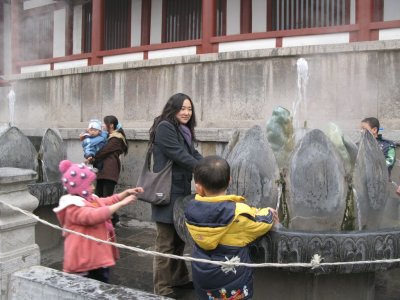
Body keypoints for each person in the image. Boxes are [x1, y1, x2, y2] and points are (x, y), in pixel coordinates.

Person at [185, 155, 279, 300]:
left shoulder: (190, 211)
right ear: (230, 180)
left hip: (203, 281)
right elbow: (261, 224)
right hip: (233, 287)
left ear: (198, 187)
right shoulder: (237, 213)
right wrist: (268, 213)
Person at [53, 160, 143, 283]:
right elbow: (93, 216)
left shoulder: (91, 199)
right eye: (90, 184)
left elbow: (108, 201)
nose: (93, 187)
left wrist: (125, 193)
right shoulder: (72, 207)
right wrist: (122, 203)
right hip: (83, 262)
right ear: (80, 188)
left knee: (101, 284)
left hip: (96, 258)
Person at [149, 93, 203, 298]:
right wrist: (204, 170)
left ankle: (178, 278)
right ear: (173, 108)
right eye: (182, 108)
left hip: (180, 191)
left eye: (189, 109)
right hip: (166, 192)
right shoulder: (165, 127)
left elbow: (193, 153)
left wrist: (212, 165)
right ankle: (161, 287)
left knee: (179, 239)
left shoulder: (184, 130)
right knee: (165, 242)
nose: (187, 112)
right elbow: (179, 155)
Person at [89, 115, 128, 226]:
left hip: (110, 170)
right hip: (103, 170)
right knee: (100, 196)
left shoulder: (116, 138)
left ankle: (112, 220)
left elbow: (103, 151)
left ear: (110, 125)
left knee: (107, 197)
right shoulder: (110, 136)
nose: (102, 126)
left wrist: (92, 157)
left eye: (104, 123)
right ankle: (111, 219)